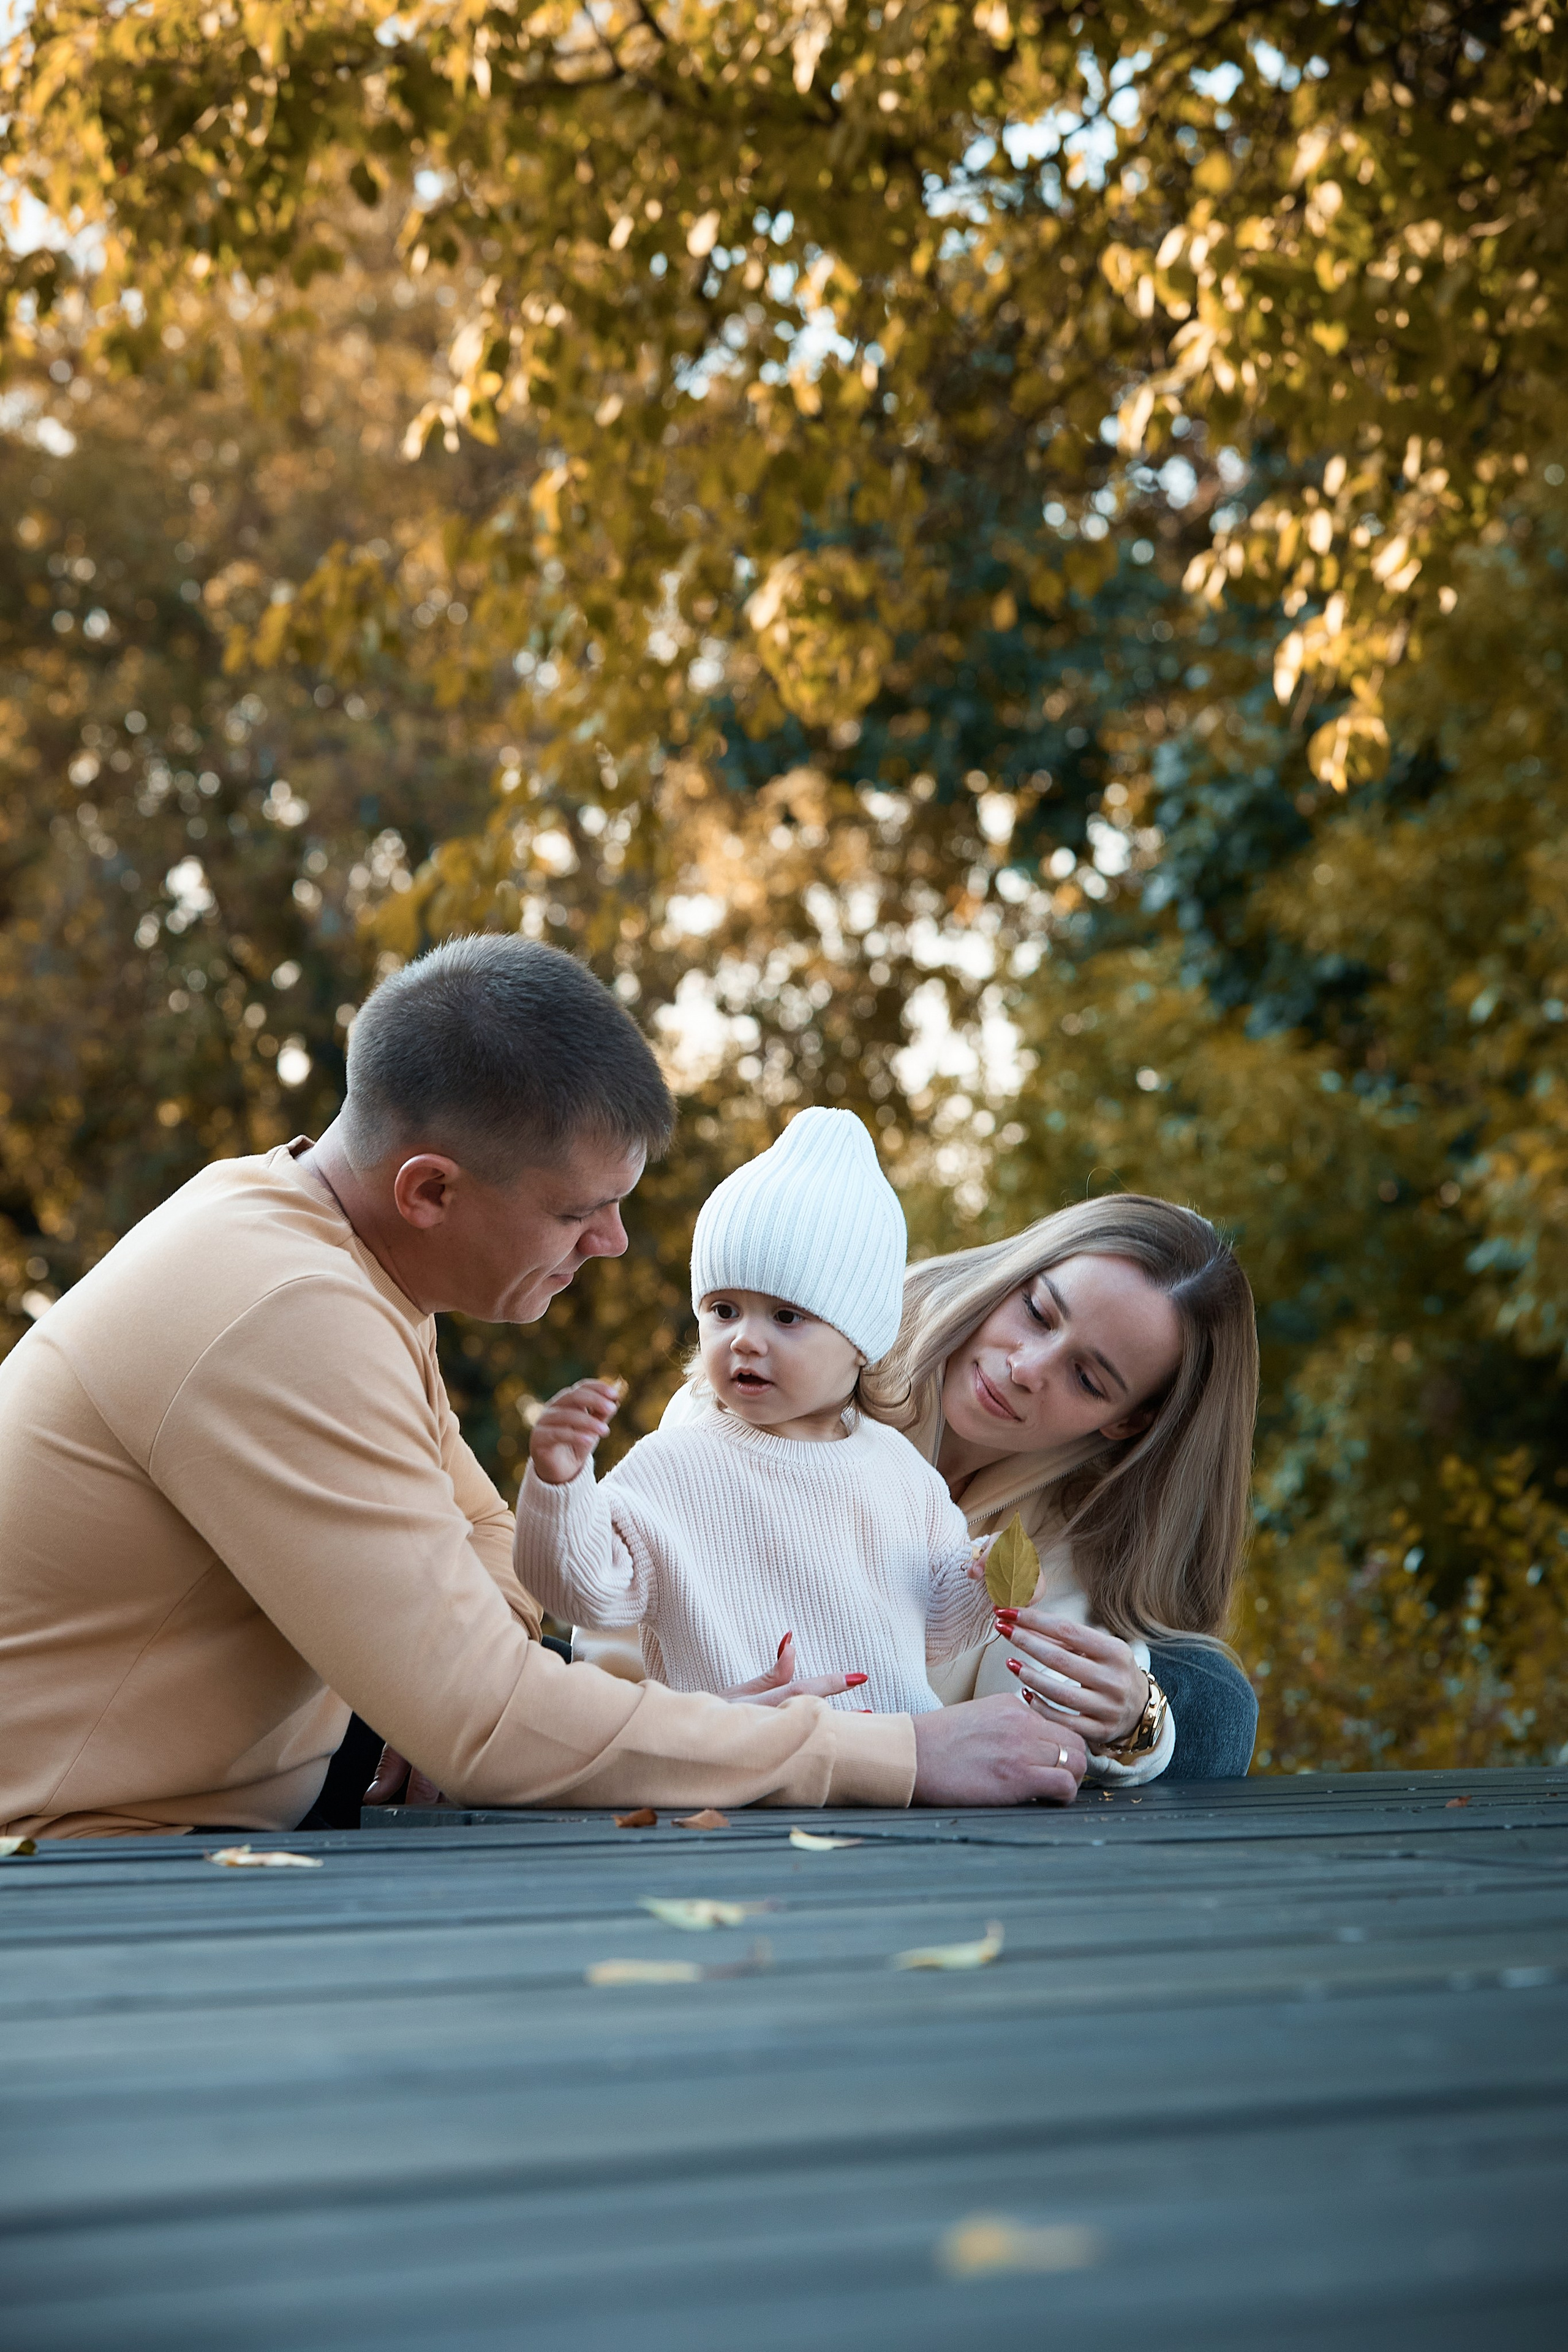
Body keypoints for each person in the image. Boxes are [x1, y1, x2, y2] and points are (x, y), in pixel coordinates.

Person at [0, 937, 1086, 1839]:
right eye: (579, 1212)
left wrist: (439, 1699)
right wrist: (890, 1751)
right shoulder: (285, 1308)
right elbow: (485, 1722)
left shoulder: (323, 1250)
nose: (611, 1245)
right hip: (93, 1873)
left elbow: (486, 1553)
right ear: (428, 1189)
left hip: (228, 1828)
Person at [515, 1110, 1008, 1720]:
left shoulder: (905, 1478)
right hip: (741, 1775)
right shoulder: (674, 1466)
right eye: (724, 1309)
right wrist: (560, 1486)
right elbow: (582, 1591)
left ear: (860, 1340)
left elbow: (933, 1631)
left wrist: (984, 1579)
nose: (745, 1340)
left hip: (899, 1773)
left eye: (786, 1316)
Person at [864, 1197, 1261, 1782]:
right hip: (768, 1742)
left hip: (928, 1814)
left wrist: (1134, 1722)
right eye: (1037, 1312)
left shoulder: (1070, 1518)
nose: (1025, 1369)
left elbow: (1030, 1693)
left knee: (1210, 1696)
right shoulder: (812, 1349)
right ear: (1014, 1276)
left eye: (1085, 1378)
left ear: (1127, 1421)